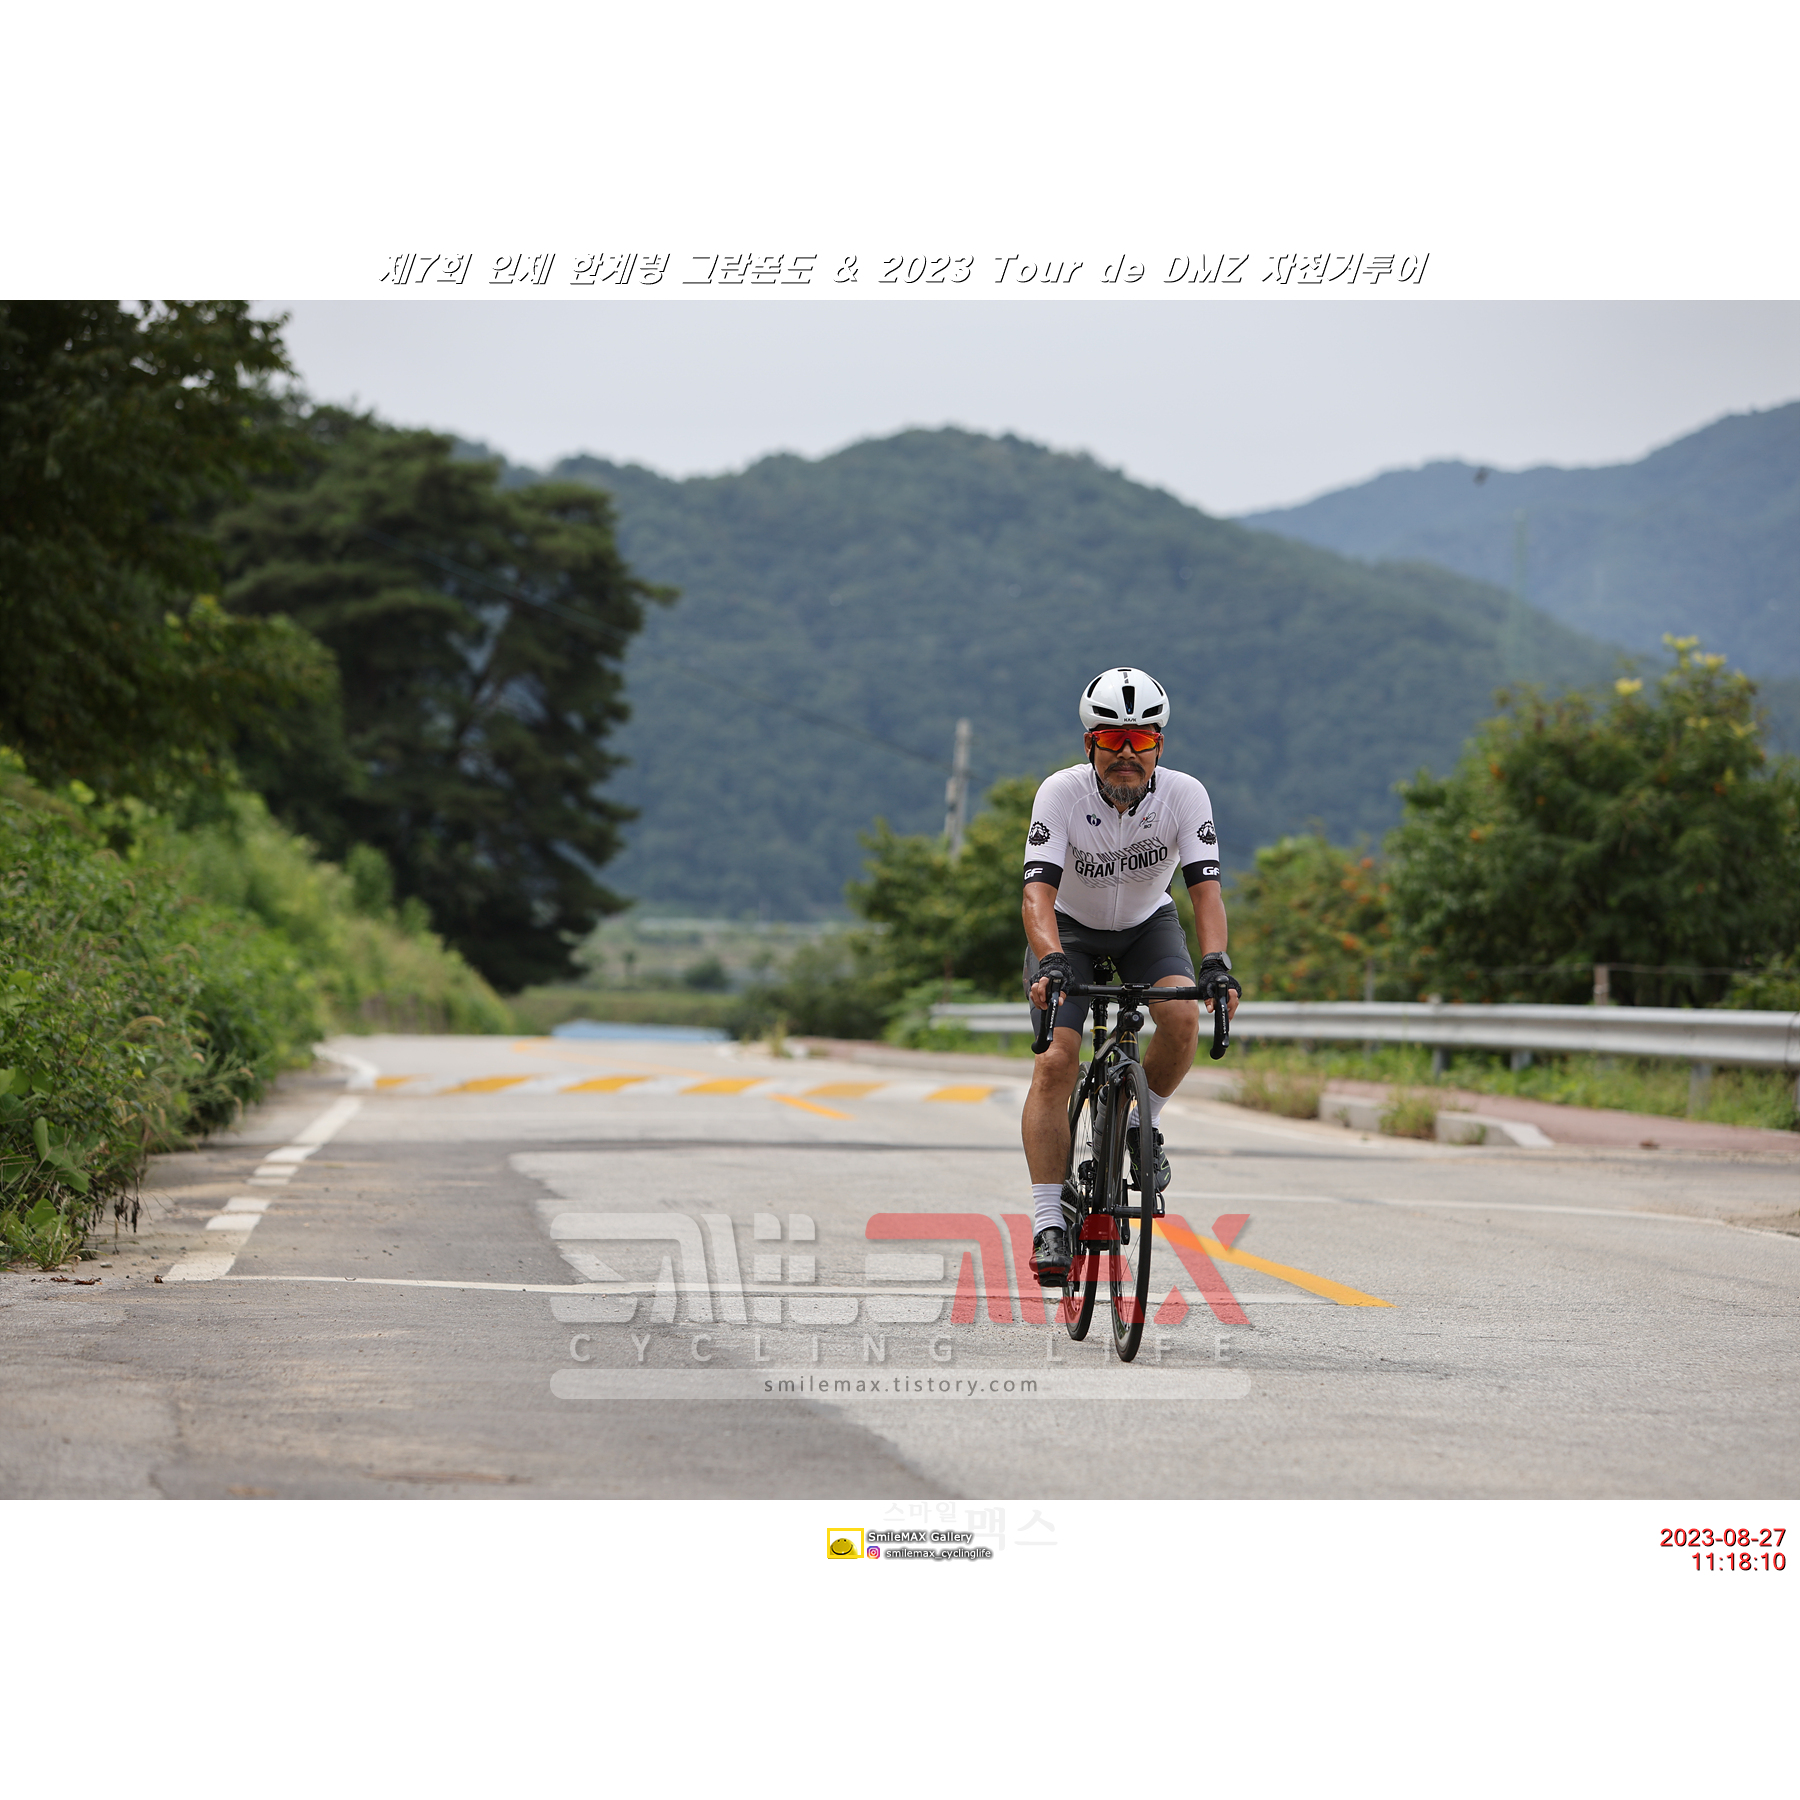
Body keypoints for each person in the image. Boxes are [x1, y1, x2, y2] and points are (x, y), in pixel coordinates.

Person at [1020, 667, 1240, 1281]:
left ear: (1158, 745)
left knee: (1182, 1016)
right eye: (1111, 741)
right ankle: (1049, 1221)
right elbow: (1037, 893)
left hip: (1147, 926)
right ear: (1089, 744)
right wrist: (1051, 958)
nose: (1126, 754)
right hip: (1068, 931)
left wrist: (1216, 964)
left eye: (1139, 740)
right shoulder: (1061, 793)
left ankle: (1144, 1122)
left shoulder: (1185, 795)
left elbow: (1205, 891)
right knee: (1055, 1062)